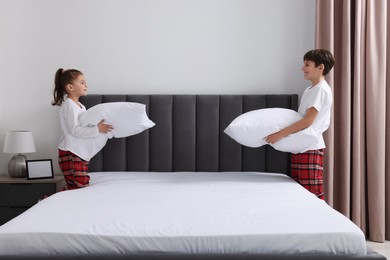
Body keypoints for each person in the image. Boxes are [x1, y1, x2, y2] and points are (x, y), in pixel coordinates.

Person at [265, 49, 335, 200]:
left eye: (307, 64)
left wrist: (281, 134)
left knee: (312, 194)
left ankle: (319, 222)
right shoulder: (310, 90)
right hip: (301, 146)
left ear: (320, 67)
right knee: (300, 194)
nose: (302, 68)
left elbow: (308, 121)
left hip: (310, 147)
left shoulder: (320, 90)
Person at [51, 69, 113, 190]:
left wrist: (97, 125)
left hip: (78, 153)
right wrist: (97, 129)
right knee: (79, 186)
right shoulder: (69, 105)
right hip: (70, 152)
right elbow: (75, 130)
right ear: (70, 87)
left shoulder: (81, 106)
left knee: (76, 186)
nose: (86, 85)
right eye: (82, 82)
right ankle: (46, 200)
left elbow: (84, 126)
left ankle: (51, 201)